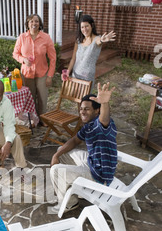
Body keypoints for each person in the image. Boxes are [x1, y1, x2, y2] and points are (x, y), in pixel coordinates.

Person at [49, 82, 117, 214]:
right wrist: (55, 156)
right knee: (60, 152)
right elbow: (75, 140)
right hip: (93, 163)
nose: (82, 111)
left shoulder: (102, 124)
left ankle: (69, 203)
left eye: (86, 109)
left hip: (100, 176)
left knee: (56, 170)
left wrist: (104, 103)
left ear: (97, 111)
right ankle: (70, 187)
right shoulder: (89, 126)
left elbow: (104, 119)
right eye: (81, 109)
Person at [13, 13, 56, 116]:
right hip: (27, 75)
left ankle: (42, 118)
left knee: (42, 98)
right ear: (27, 24)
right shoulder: (22, 37)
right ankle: (32, 119)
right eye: (31, 21)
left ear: (40, 23)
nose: (34, 23)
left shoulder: (46, 38)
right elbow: (15, 53)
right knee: (30, 99)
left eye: (36, 21)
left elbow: (53, 58)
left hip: (42, 74)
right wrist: (23, 59)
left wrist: (50, 76)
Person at [62, 15, 116, 89]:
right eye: (82, 27)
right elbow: (73, 59)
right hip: (75, 75)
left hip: (87, 79)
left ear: (92, 25)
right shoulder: (78, 40)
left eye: (87, 26)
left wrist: (102, 40)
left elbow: (99, 41)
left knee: (85, 100)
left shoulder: (96, 39)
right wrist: (68, 71)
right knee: (75, 99)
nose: (85, 29)